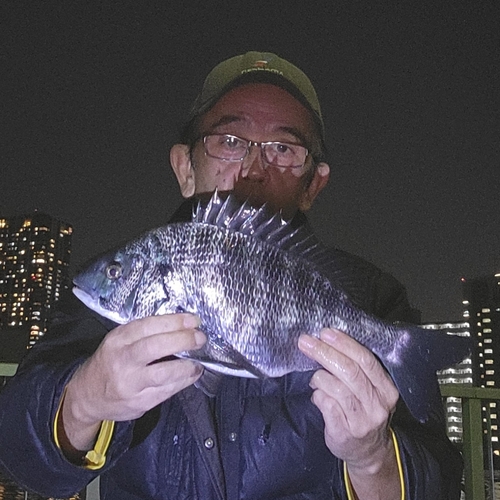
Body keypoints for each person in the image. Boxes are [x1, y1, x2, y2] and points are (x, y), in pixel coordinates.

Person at [0, 51, 462, 500]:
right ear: (185, 167)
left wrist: (373, 458)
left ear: (313, 185)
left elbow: (440, 483)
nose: (253, 168)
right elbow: (20, 456)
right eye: (229, 141)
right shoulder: (122, 287)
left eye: (283, 148)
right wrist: (82, 400)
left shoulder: (372, 299)